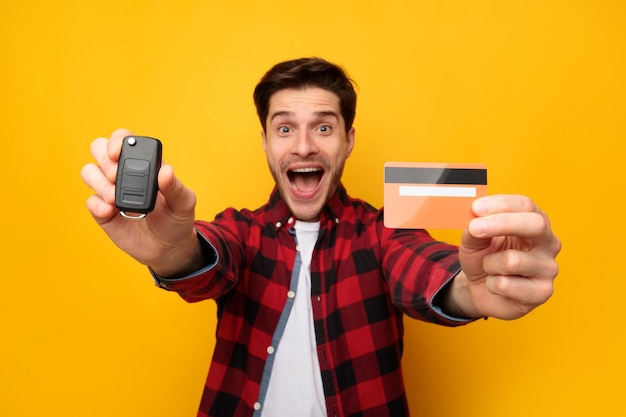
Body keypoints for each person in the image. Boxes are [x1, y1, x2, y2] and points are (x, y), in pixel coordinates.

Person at [81, 57, 561, 417]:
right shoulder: (241, 230)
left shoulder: (382, 230)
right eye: (285, 127)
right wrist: (173, 255)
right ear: (266, 142)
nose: (304, 145)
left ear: (349, 139)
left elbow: (419, 263)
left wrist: (465, 289)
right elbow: (209, 256)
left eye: (324, 127)